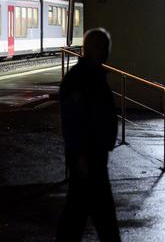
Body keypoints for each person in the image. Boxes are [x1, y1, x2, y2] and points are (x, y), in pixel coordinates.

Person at [56, 28, 121, 242]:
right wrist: (80, 155)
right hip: (88, 154)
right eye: (102, 46)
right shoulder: (83, 78)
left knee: (79, 211)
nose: (105, 51)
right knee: (98, 212)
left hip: (92, 153)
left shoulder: (88, 75)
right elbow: (75, 119)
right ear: (92, 48)